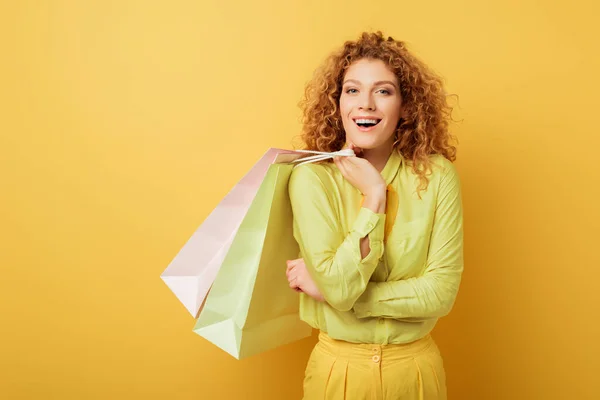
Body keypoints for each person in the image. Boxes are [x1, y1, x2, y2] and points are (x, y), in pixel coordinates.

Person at [285, 31, 464, 399]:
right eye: (352, 90)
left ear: (406, 106)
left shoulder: (438, 175)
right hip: (337, 372)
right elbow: (338, 286)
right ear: (336, 103)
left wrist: (340, 298)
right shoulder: (310, 178)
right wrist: (374, 195)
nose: (365, 104)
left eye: (383, 91)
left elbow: (441, 294)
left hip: (416, 373)